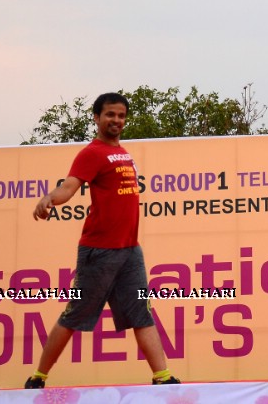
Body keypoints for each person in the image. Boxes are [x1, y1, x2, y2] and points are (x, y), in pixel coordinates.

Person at [24, 92, 180, 388]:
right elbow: (69, 187)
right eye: (110, 115)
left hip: (130, 251)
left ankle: (163, 378)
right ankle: (38, 377)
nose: (116, 121)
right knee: (74, 314)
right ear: (96, 118)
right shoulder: (91, 153)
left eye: (121, 116)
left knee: (141, 312)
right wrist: (49, 199)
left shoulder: (122, 152)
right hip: (99, 253)